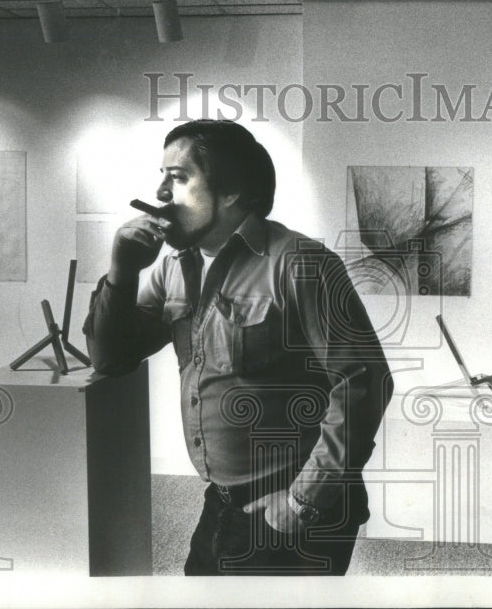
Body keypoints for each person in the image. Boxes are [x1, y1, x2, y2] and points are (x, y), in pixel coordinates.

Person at [83, 120, 392, 575]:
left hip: (295, 507)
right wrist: (122, 270)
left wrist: (302, 499)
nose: (161, 192)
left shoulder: (299, 263)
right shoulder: (175, 268)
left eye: (179, 176)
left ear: (231, 191)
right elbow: (110, 358)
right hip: (224, 502)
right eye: (163, 175)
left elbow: (363, 382)